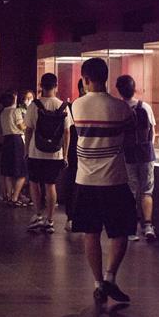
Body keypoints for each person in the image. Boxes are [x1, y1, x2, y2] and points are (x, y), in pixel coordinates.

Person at [72, 58, 137, 308]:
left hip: (85, 179)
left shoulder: (76, 106)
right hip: (115, 179)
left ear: (85, 79)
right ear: (106, 78)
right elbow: (131, 141)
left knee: (91, 232)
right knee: (119, 231)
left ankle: (98, 283)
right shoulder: (122, 108)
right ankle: (111, 277)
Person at [25, 73, 72, 234]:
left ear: (41, 86)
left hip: (35, 152)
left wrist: (26, 150)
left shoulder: (34, 106)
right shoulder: (62, 106)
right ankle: (50, 220)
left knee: (34, 183)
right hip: (55, 154)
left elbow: (28, 130)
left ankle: (38, 215)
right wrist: (65, 155)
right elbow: (67, 133)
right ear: (56, 86)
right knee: (51, 185)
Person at [115, 74, 157, 242]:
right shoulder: (144, 106)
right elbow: (153, 130)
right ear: (135, 88)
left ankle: (130, 228)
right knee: (147, 190)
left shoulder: (118, 108)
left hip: (127, 153)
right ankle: (148, 225)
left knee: (131, 190)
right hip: (146, 153)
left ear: (119, 90)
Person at [62, 78, 86, 231]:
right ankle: (73, 216)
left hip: (73, 151)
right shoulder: (75, 106)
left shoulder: (72, 106)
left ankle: (72, 217)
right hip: (77, 153)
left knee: (73, 183)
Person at [0, 91, 28, 205]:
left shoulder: (2, 112)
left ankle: (9, 196)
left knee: (8, 171)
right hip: (16, 141)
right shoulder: (16, 111)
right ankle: (15, 197)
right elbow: (21, 126)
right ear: (13, 100)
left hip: (6, 141)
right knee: (22, 172)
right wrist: (28, 126)